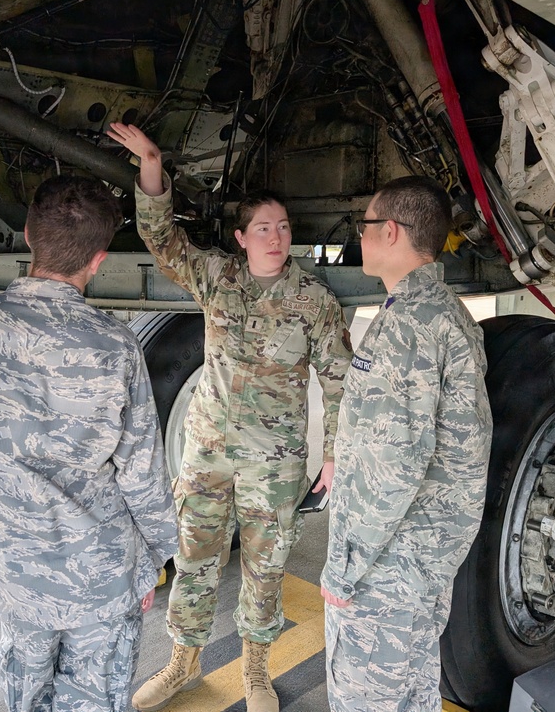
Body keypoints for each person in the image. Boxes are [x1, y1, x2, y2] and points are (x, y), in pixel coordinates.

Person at [107, 122, 352, 712]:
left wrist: (336, 452)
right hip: (209, 454)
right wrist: (151, 166)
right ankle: (182, 665)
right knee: (193, 561)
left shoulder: (314, 300)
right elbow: (160, 237)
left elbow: (340, 379)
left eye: (283, 227)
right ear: (241, 238)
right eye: (263, 228)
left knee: (266, 571)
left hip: (274, 466)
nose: (275, 237)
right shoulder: (217, 278)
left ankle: (257, 673)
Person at [0, 175, 178, 712]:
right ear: (100, 258)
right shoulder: (114, 345)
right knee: (95, 698)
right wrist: (152, 558)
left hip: (11, 567)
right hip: (100, 571)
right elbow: (141, 472)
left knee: (26, 695)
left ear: (29, 234)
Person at [319, 175, 493, 712]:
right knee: (413, 692)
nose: (361, 237)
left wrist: (344, 566)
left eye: (365, 226)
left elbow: (389, 464)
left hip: (387, 566)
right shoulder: (447, 313)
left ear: (389, 231)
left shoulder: (407, 327)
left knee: (368, 697)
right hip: (424, 558)